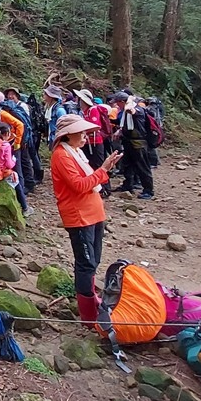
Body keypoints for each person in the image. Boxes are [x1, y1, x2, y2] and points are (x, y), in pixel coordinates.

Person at [50, 114, 122, 325]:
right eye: (80, 132)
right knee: (86, 263)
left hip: (93, 212)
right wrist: (104, 169)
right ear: (68, 135)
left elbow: (90, 181)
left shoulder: (76, 152)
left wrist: (104, 168)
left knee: (94, 259)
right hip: (79, 215)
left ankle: (91, 298)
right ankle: (88, 313)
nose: (84, 135)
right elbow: (79, 185)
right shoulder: (62, 156)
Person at [111, 91, 154, 199]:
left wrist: (129, 104)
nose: (116, 105)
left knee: (142, 167)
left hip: (138, 143)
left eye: (117, 103)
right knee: (127, 165)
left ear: (122, 102)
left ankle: (148, 190)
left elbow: (131, 111)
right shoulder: (125, 113)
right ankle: (127, 185)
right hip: (129, 142)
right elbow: (123, 123)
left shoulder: (136, 110)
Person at [74, 89, 110, 196]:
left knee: (99, 164)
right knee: (90, 165)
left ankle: (105, 188)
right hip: (87, 142)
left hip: (95, 142)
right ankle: (96, 186)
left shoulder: (93, 110)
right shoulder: (84, 112)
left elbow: (94, 125)